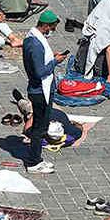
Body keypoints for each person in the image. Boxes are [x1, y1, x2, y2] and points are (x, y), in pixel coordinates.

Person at [23, 10, 69, 174]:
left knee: (41, 126)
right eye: (52, 28)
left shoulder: (32, 39)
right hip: (39, 91)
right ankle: (33, 161)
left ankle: (37, 158)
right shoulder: (35, 45)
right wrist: (55, 62)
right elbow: (39, 72)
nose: (52, 31)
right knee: (39, 128)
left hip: (41, 89)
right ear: (45, 25)